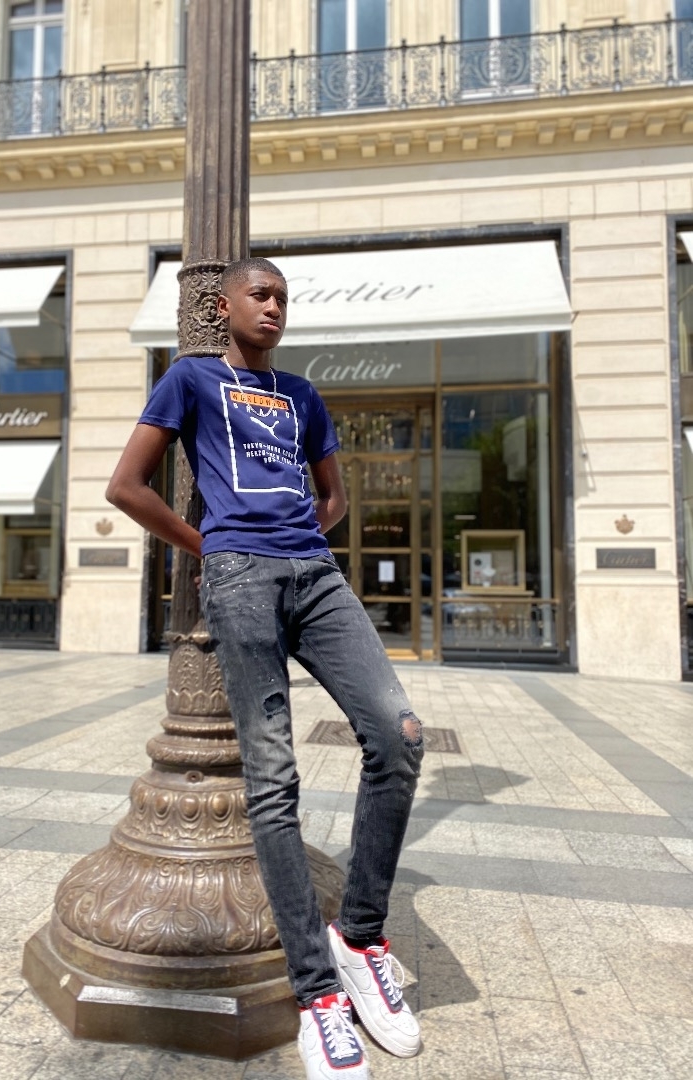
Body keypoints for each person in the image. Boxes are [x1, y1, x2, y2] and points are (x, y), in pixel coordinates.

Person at [106, 257, 424, 1080]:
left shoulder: (303, 396)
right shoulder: (191, 379)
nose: (275, 306)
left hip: (315, 576)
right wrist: (209, 545)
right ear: (224, 305)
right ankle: (317, 994)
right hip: (240, 578)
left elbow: (334, 496)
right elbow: (126, 486)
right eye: (262, 294)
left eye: (283, 297)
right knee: (273, 777)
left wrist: (304, 542)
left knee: (398, 734)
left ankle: (359, 939)